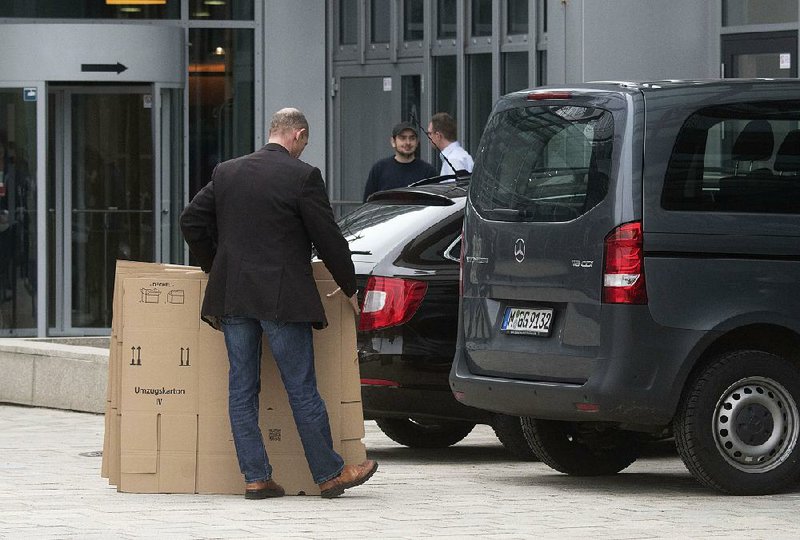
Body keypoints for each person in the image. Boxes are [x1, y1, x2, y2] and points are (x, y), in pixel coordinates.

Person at [180, 107, 378, 500]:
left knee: (241, 388)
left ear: (272, 132)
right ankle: (330, 474)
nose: (304, 149)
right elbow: (329, 239)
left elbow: (191, 220)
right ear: (298, 135)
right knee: (301, 387)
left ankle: (256, 478)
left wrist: (215, 265)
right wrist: (350, 288)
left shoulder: (227, 172)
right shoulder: (302, 176)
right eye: (305, 142)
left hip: (233, 295)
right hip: (282, 297)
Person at [363, 121, 437, 201]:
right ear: (393, 142)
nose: (408, 142)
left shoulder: (428, 172)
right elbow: (367, 204)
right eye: (403, 138)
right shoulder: (379, 169)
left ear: (417, 142)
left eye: (412, 138)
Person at [427, 112, 474, 176]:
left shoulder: (453, 160)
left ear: (438, 135)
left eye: (430, 133)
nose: (428, 137)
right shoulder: (462, 155)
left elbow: (455, 186)